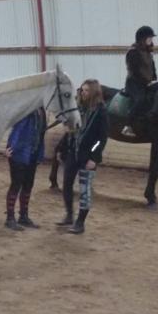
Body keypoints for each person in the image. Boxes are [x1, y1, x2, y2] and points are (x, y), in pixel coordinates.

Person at [57, 79, 108, 234]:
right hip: (73, 152)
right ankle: (69, 215)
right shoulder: (77, 108)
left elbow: (101, 138)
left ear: (93, 92)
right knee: (66, 184)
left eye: (86, 90)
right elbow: (70, 132)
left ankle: (80, 222)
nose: (83, 93)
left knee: (85, 190)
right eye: (82, 90)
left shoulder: (100, 111)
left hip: (87, 157)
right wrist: (61, 147)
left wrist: (94, 157)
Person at [4, 108, 46, 231]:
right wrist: (11, 147)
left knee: (28, 185)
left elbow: (41, 134)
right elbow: (17, 129)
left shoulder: (41, 111)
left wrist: (40, 153)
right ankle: (10, 218)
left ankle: (23, 216)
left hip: (33, 153)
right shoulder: (27, 109)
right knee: (16, 185)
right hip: (19, 152)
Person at [122, 25, 157, 137]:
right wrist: (146, 82)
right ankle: (127, 125)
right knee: (140, 100)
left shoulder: (148, 52)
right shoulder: (132, 52)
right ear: (142, 39)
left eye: (151, 38)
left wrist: (154, 79)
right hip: (134, 84)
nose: (151, 40)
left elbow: (152, 68)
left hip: (147, 83)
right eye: (149, 38)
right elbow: (135, 71)